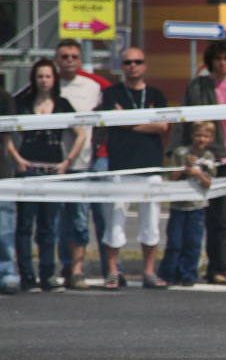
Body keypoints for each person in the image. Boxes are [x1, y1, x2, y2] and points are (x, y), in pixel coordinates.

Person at [167, 39, 226, 285]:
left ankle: (217, 268)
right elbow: (183, 118)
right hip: (198, 158)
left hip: (225, 159)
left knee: (219, 221)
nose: (222, 63)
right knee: (189, 218)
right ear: (211, 60)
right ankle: (182, 269)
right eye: (218, 58)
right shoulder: (198, 85)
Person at [7, 59, 86, 292]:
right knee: (25, 225)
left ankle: (48, 275)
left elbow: (81, 133)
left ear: (54, 79)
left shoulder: (62, 104)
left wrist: (67, 162)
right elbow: (6, 132)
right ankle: (27, 276)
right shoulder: (22, 102)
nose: (44, 81)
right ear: (34, 79)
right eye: (40, 76)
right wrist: (16, 158)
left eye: (48, 76)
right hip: (28, 168)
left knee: (48, 226)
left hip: (52, 170)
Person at [99, 47, 169, 290]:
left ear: (145, 65)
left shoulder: (156, 94)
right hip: (120, 167)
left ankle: (149, 272)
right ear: (122, 66)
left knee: (151, 222)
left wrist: (127, 121)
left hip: (151, 166)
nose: (133, 66)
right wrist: (145, 120)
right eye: (128, 62)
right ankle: (112, 272)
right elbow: (111, 121)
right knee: (115, 221)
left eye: (138, 61)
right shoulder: (111, 93)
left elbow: (162, 126)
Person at [53, 39, 104, 289]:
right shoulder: (48, 84)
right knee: (54, 222)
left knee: (79, 220)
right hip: (51, 164)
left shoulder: (93, 87)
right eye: (65, 57)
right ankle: (58, 268)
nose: (70, 61)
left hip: (82, 164)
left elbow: (103, 121)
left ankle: (77, 271)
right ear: (57, 60)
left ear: (81, 60)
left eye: (74, 56)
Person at [159, 121, 217, 287]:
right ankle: (169, 272)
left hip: (197, 207)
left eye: (205, 136)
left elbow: (209, 183)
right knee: (175, 242)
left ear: (211, 139)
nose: (201, 139)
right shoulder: (181, 153)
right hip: (178, 206)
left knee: (193, 242)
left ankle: (189, 274)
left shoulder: (208, 157)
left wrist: (199, 173)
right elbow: (171, 177)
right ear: (192, 135)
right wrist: (184, 168)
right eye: (198, 135)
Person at [0, 59, 18, 295]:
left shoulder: (4, 98)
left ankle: (6, 273)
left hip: (1, 170)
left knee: (4, 225)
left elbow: (8, 140)